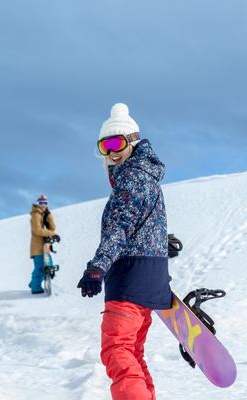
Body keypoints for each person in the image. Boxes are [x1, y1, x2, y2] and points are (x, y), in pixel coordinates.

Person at [78, 103, 172, 400]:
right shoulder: (147, 175)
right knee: (132, 353)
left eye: (117, 143)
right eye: (105, 147)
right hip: (152, 279)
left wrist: (97, 267)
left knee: (117, 349)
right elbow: (144, 222)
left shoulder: (130, 178)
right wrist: (164, 242)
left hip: (129, 280)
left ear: (133, 140)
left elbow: (119, 226)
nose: (112, 152)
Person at [29, 194, 59, 294]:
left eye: (45, 203)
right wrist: (53, 234)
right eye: (41, 203)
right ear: (37, 203)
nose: (43, 205)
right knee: (40, 268)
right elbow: (37, 230)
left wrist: (48, 215)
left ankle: (34, 283)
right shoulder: (36, 214)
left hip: (45, 246)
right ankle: (35, 287)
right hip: (37, 247)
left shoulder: (44, 214)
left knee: (48, 266)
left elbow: (52, 228)